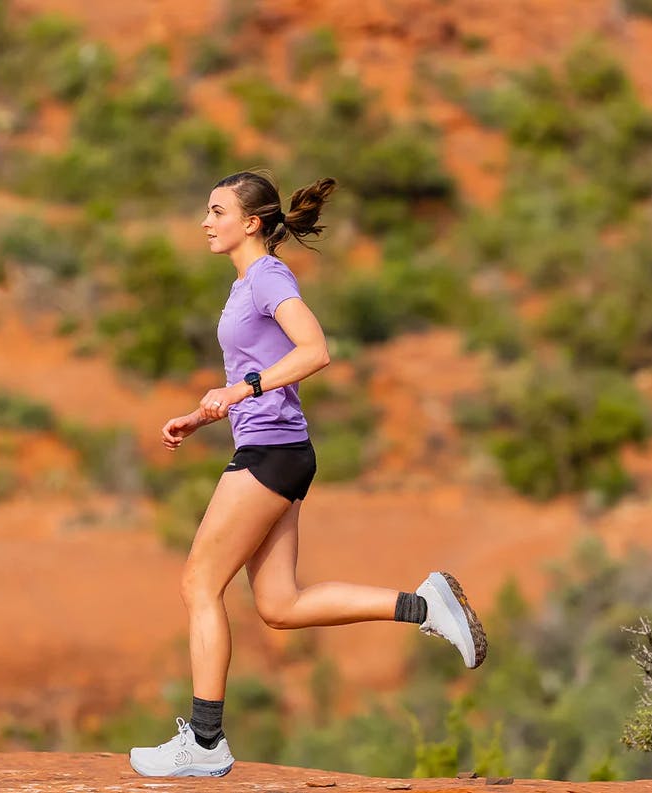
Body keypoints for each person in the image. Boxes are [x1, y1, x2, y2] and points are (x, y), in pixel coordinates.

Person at [129, 171, 488, 778]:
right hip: (279, 447)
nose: (205, 222)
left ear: (251, 222)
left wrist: (240, 390)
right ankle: (423, 605)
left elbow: (314, 350)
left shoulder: (267, 276)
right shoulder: (248, 282)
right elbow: (258, 370)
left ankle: (207, 740)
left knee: (199, 585)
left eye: (216, 211)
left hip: (271, 454)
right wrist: (202, 414)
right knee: (280, 604)